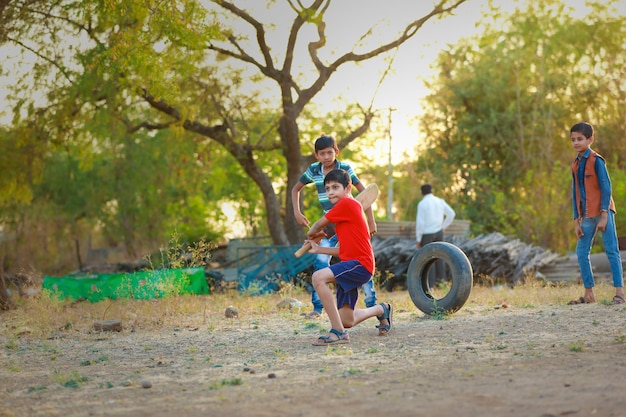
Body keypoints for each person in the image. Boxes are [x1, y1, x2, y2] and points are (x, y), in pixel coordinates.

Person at [291, 135, 378, 319]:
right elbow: (295, 189)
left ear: (336, 151)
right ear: (316, 155)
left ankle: (372, 303)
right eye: (322, 153)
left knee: (358, 260)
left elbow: (365, 193)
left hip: (349, 221)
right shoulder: (314, 170)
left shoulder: (344, 169)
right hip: (331, 225)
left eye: (330, 152)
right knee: (321, 263)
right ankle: (317, 307)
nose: (326, 156)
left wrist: (370, 220)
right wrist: (297, 213)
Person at [304, 169, 392, 345]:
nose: (330, 192)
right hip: (353, 264)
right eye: (327, 188)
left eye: (335, 187)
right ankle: (381, 310)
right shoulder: (346, 215)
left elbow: (318, 224)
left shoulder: (348, 205)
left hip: (360, 264)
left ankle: (338, 333)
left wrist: (312, 233)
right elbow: (343, 250)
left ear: (348, 188)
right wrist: (318, 248)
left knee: (318, 277)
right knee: (347, 320)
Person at [568, 122, 624, 305]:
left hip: (603, 212)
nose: (576, 143)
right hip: (586, 215)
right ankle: (589, 294)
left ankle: (620, 293)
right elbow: (574, 191)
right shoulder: (575, 164)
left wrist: (604, 214)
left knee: (611, 250)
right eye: (573, 140)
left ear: (590, 140)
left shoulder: (597, 160)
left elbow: (606, 188)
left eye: (580, 139)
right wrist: (576, 220)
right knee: (581, 251)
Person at [415, 184, 455, 286]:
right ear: (432, 191)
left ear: (422, 192)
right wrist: (443, 226)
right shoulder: (440, 201)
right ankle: (442, 282)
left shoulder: (422, 204)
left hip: (426, 234)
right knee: (440, 257)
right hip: (439, 232)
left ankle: (430, 284)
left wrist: (418, 239)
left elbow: (420, 223)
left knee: (428, 259)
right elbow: (451, 214)